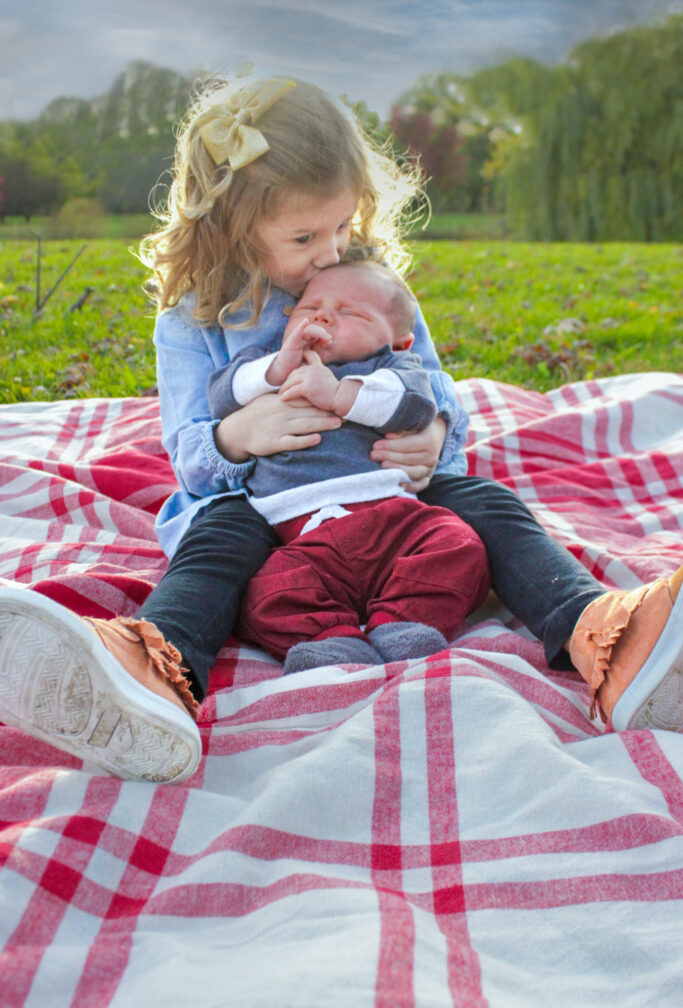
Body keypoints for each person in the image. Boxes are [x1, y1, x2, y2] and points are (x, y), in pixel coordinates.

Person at [0, 74, 680, 786]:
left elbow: (436, 394)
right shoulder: (193, 320)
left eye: (341, 227)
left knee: (489, 505)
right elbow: (190, 458)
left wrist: (434, 437)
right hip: (266, 506)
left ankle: (605, 639)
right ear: (230, 224)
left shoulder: (368, 285)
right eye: (303, 236)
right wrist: (240, 437)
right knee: (214, 545)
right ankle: (147, 674)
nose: (329, 253)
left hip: (390, 493)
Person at [208, 259, 492, 671]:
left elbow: (413, 405)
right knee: (265, 594)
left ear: (398, 342)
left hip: (393, 519)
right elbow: (221, 396)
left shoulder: (392, 368)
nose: (323, 316)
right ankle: (331, 640)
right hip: (304, 534)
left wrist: (340, 393)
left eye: (350, 312)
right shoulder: (266, 367)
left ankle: (402, 624)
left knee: (459, 547)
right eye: (309, 309)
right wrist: (276, 367)